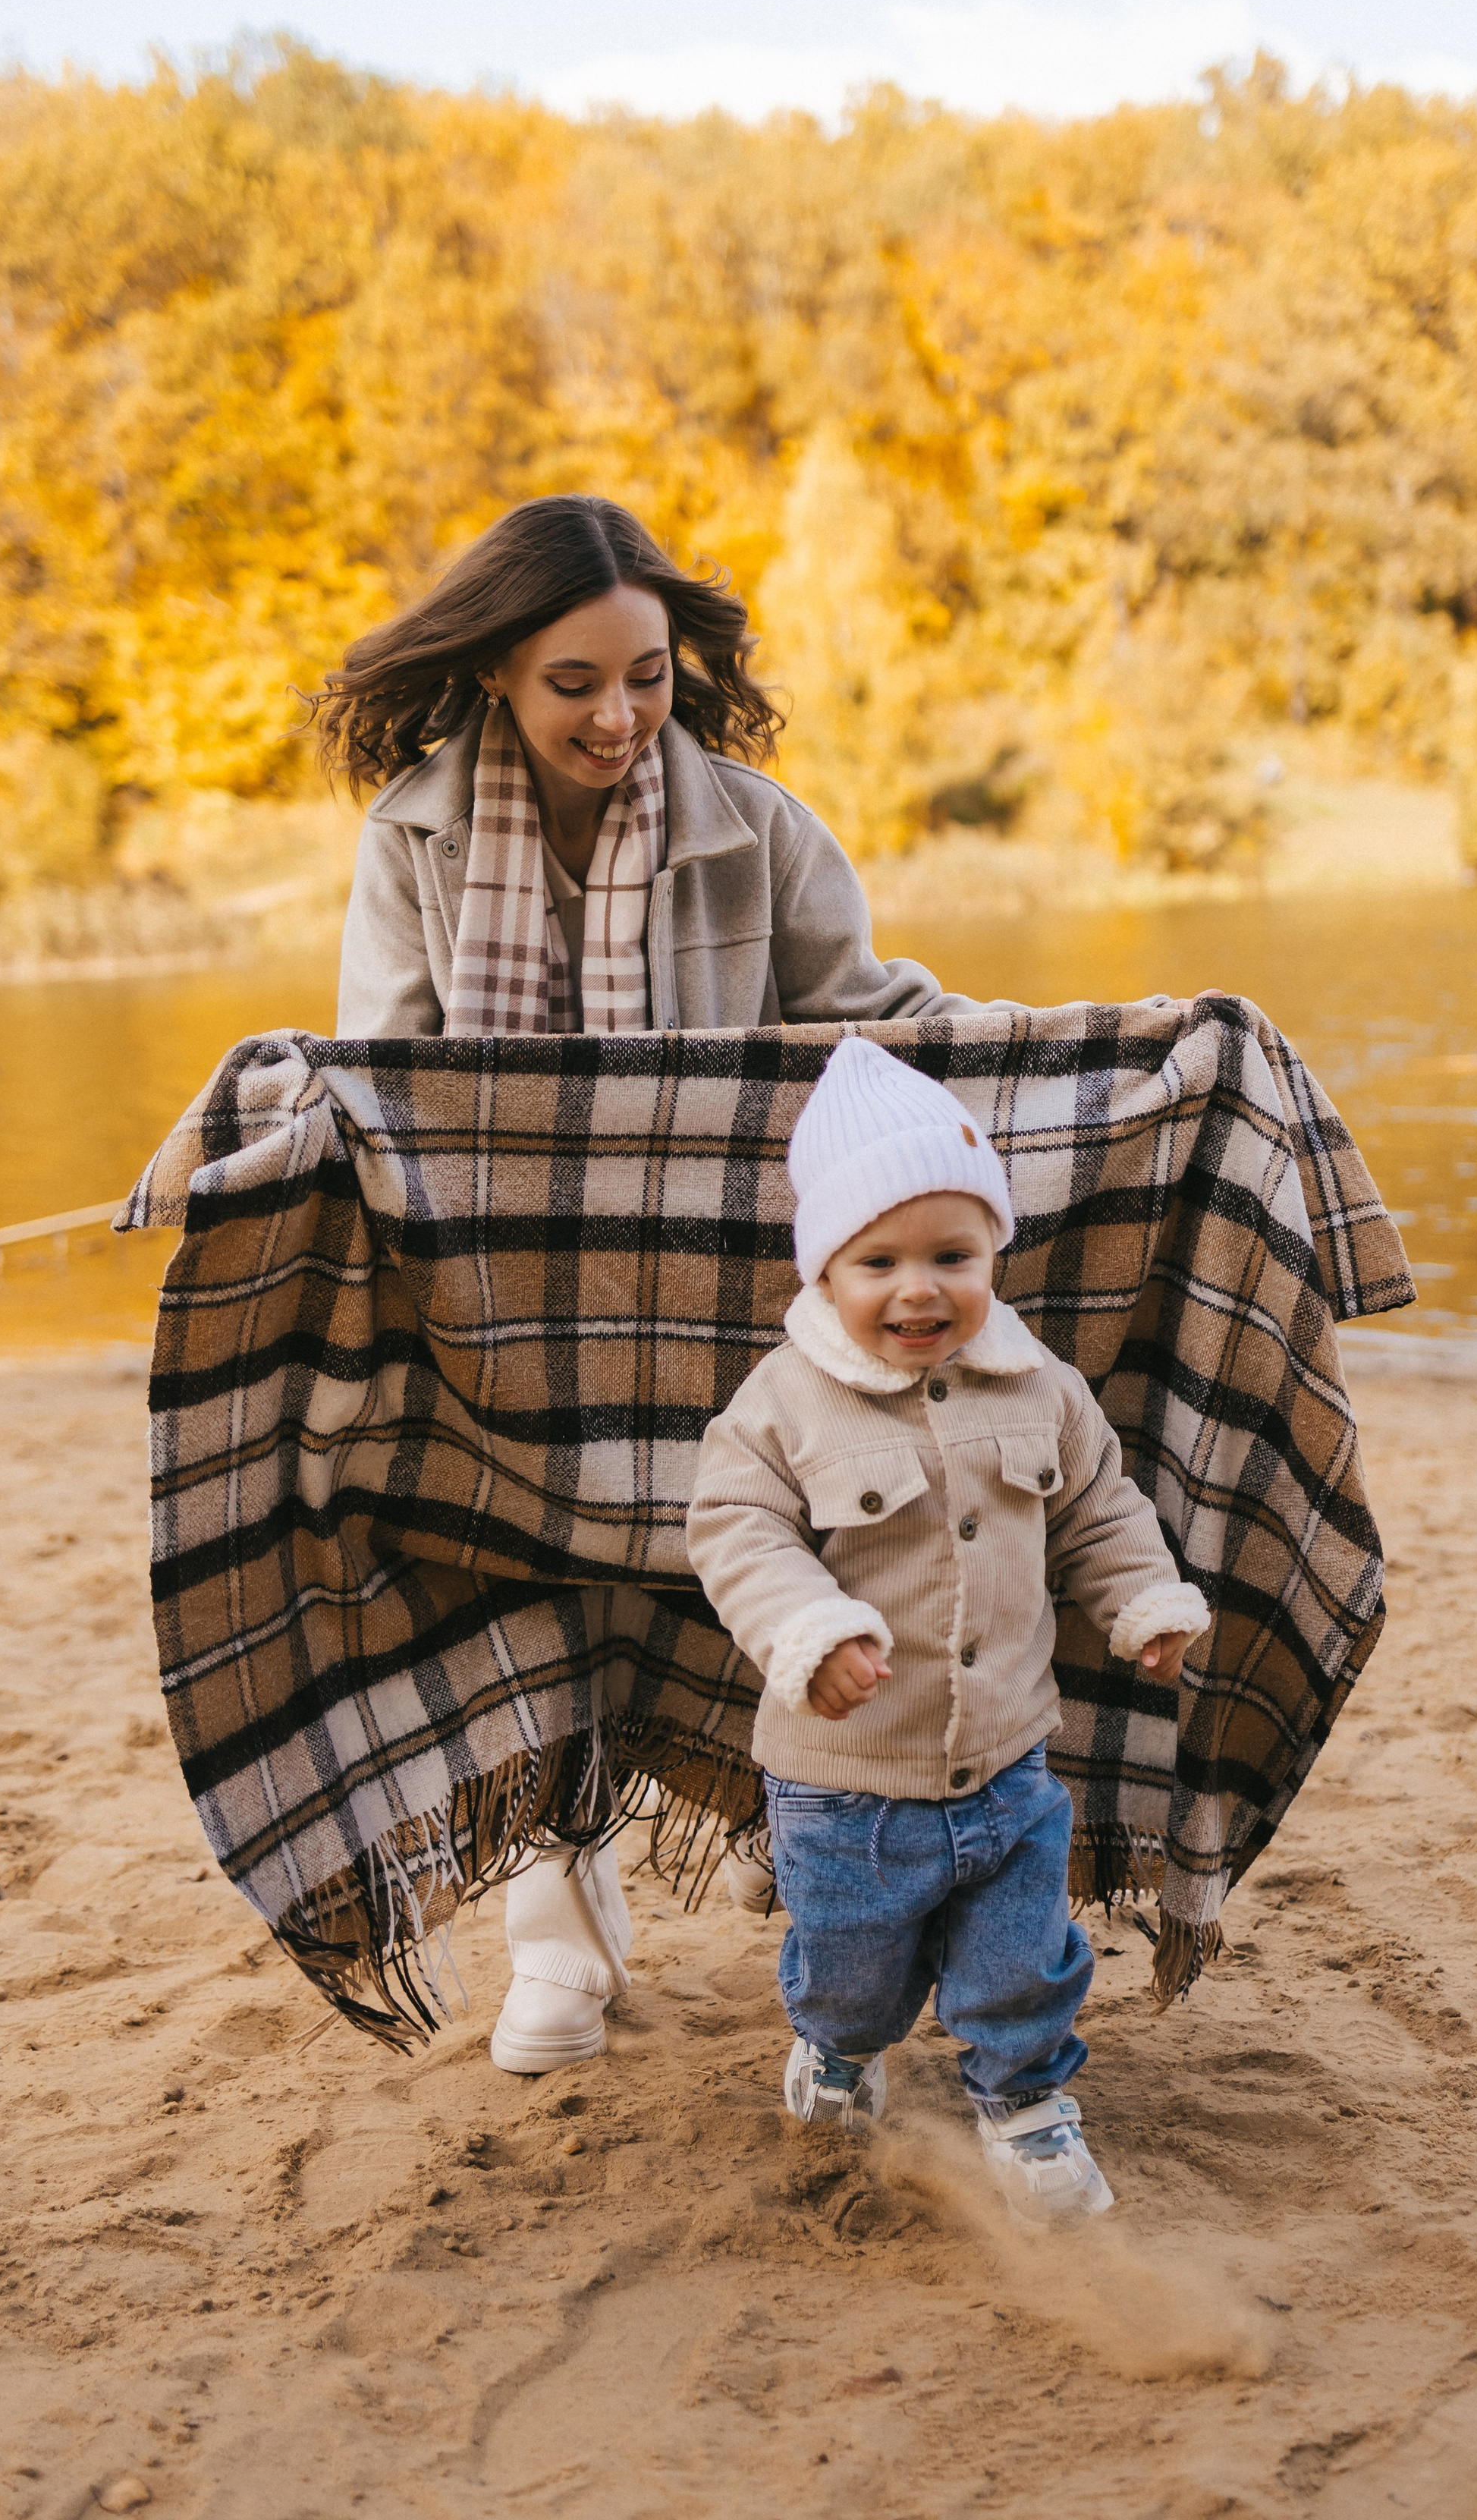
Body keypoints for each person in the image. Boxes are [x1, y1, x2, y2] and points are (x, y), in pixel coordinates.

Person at [316, 492, 990, 2075]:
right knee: (522, 1584)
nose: (618, 717)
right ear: (494, 670)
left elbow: (874, 1026)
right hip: (508, 1309)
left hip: (726, 1305)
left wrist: (1081, 1042)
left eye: (648, 679)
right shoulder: (407, 839)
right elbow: (381, 1072)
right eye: (575, 684)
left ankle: (829, 1873)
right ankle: (556, 1934)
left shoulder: (758, 828)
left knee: (776, 1584)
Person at [684, 1036, 1210, 2220]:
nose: (920, 1289)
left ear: (993, 1256)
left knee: (1020, 1961)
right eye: (880, 1260)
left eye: (953, 1256)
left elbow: (1098, 1512)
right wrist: (811, 1631)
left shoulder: (1042, 1389)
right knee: (855, 1968)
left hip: (1009, 1765)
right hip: (847, 1780)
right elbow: (735, 1532)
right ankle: (838, 2050)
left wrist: (1141, 1604)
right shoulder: (784, 1403)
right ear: (826, 1269)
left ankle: (1024, 2100)